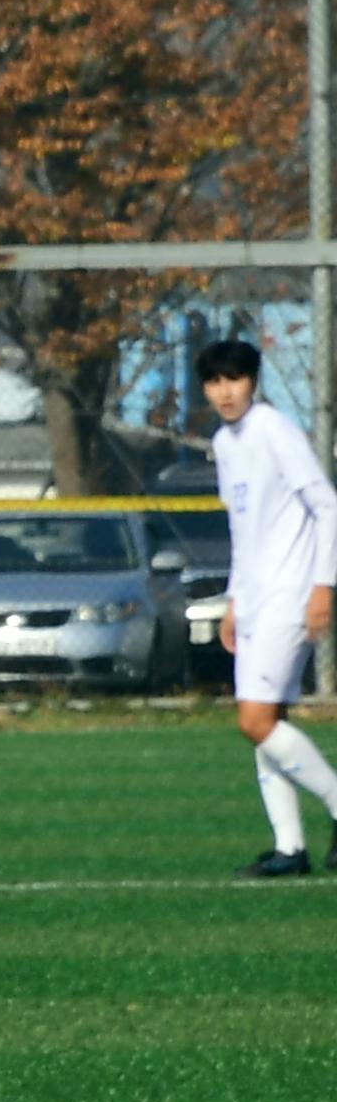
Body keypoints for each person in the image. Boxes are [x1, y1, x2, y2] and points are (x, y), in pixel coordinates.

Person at [199, 335, 337, 876]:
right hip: (255, 600)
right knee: (269, 718)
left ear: (254, 381)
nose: (225, 391)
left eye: (234, 379)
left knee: (254, 720)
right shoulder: (225, 442)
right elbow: (243, 531)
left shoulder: (275, 430)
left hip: (290, 594)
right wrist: (235, 602)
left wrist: (323, 586)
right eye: (214, 382)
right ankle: (289, 848)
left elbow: (327, 506)